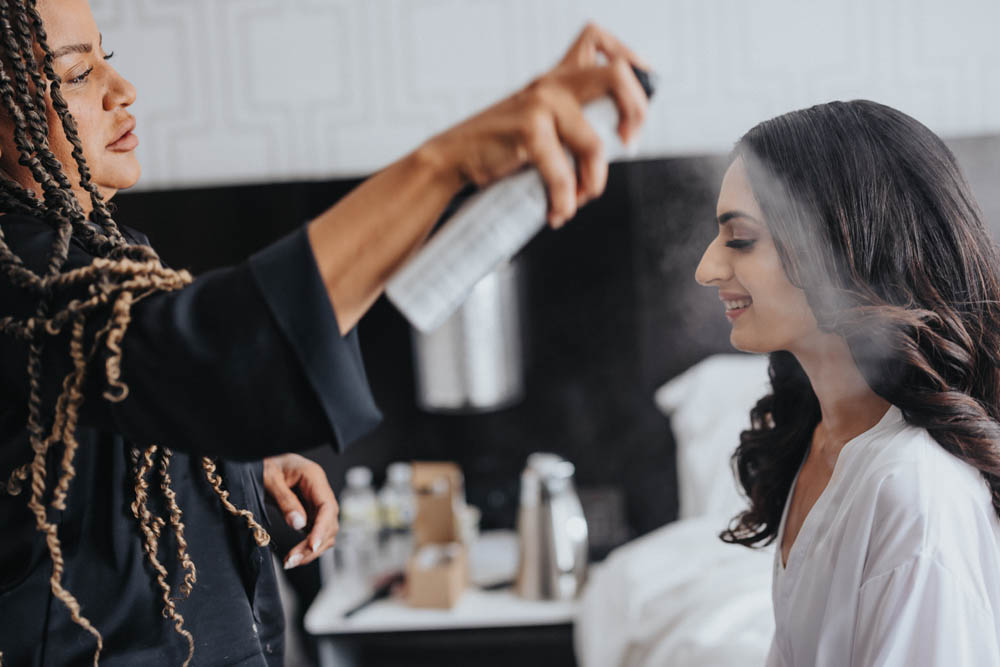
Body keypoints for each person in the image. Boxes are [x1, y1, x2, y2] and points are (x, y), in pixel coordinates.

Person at [0, 0, 650, 665]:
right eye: (77, 73)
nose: (121, 88)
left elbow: (134, 398)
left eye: (106, 58)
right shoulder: (20, 281)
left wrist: (230, 467)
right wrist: (445, 163)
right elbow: (206, 354)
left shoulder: (99, 253)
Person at [696, 99, 1000, 664]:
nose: (707, 268)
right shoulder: (818, 440)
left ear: (842, 250)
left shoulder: (915, 494)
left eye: (740, 239)